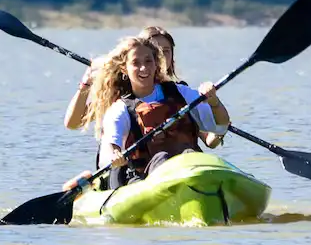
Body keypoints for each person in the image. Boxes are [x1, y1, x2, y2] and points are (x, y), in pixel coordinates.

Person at [66, 34, 229, 190]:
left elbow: (220, 127)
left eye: (148, 61)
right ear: (124, 68)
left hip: (189, 169)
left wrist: (214, 101)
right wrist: (115, 154)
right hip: (147, 177)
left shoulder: (181, 93)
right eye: (136, 63)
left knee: (189, 154)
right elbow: (110, 144)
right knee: (162, 158)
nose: (143, 68)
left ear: (156, 64)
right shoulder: (120, 107)